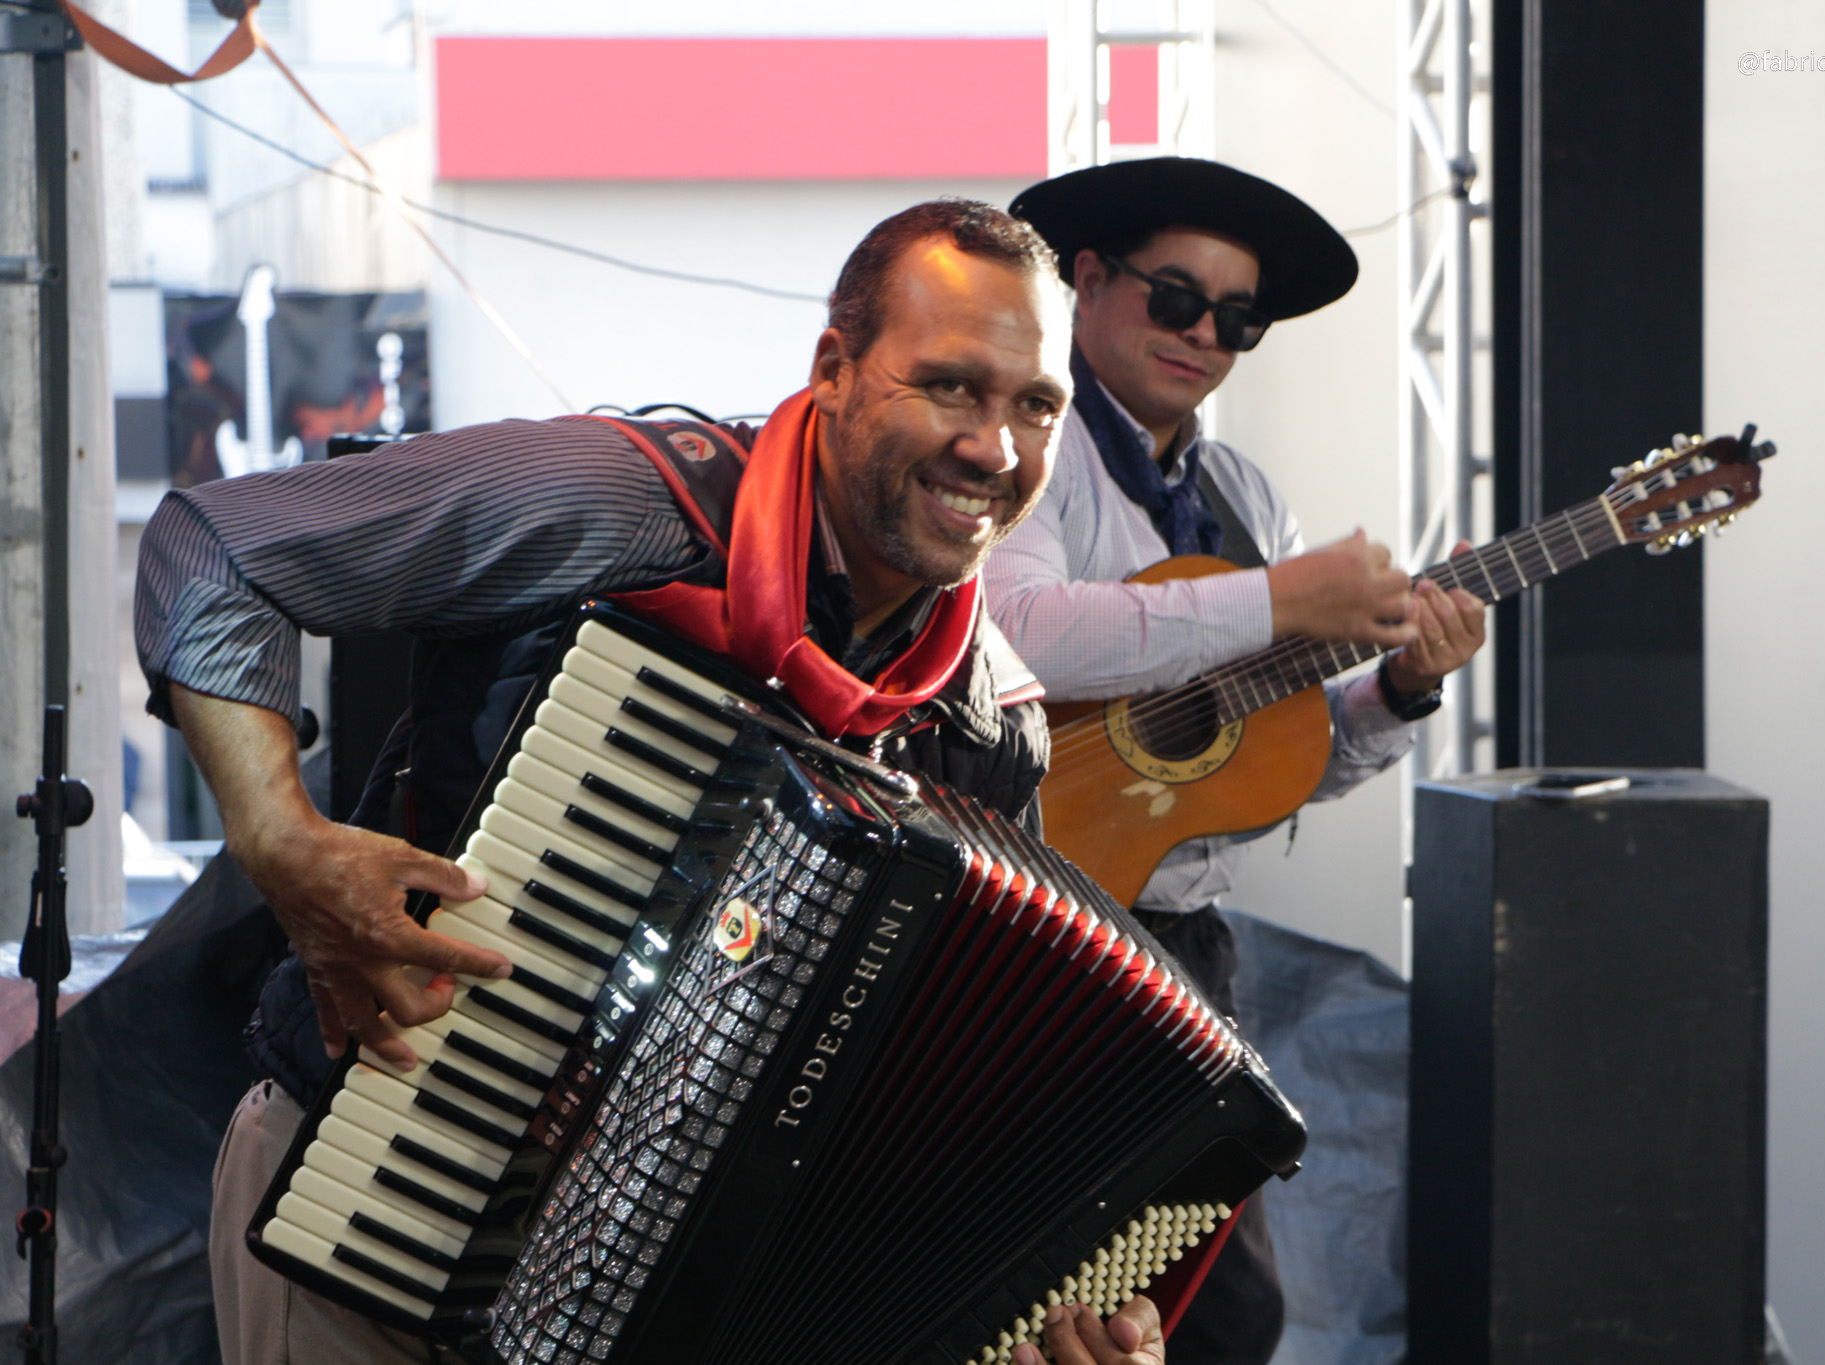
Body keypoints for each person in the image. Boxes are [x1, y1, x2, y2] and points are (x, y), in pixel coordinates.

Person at [136, 199, 1161, 1365]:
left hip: (679, 1304)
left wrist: (1028, 1311)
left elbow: (939, 1086)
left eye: (1036, 405)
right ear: (833, 369)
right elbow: (212, 553)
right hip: (380, 1190)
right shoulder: (613, 503)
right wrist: (280, 841)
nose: (996, 448)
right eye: (949, 386)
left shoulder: (986, 725)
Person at [990, 159, 1488, 1364]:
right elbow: (1019, 635)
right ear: (1088, 280)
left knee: (1217, 1309)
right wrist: (1276, 600)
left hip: (1184, 949)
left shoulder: (1239, 498)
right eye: (1176, 298)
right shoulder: (1028, 452)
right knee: (1028, 1294)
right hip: (1032, 935)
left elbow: (1272, 756)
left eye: (1237, 320)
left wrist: (1398, 691)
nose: (1204, 336)